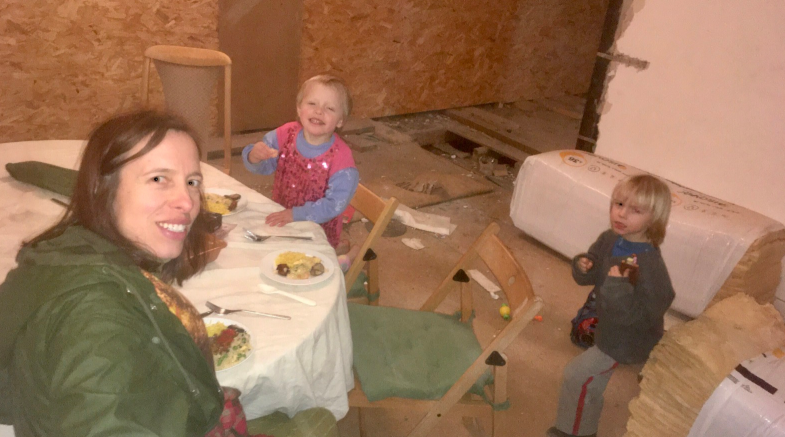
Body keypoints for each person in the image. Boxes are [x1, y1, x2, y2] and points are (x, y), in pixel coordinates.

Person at [0, 110, 243, 436]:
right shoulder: (95, 321)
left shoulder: (70, 248)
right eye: (159, 179)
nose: (187, 201)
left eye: (192, 182)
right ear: (104, 188)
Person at [547, 174, 676, 437]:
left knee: (579, 378)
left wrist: (617, 289)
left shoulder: (649, 265)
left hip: (626, 339)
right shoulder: (610, 239)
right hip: (607, 323)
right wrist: (584, 265)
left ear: (654, 218)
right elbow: (593, 267)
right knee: (587, 381)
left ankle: (576, 432)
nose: (622, 214)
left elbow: (646, 314)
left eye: (635, 210)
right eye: (618, 204)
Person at [242, 74, 359, 261]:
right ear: (299, 108)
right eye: (312, 103)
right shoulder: (284, 134)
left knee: (301, 268)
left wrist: (296, 214)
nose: (319, 111)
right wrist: (254, 157)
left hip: (318, 231)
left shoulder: (342, 159)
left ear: (340, 121)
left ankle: (345, 261)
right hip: (282, 217)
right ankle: (341, 252)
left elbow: (333, 205)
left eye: (329, 108)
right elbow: (264, 167)